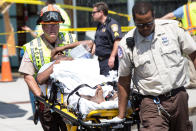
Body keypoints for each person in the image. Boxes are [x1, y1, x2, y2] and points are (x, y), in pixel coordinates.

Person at [114, 2, 195, 131]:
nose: (145, 28)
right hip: (151, 102)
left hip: (178, 96)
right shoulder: (127, 44)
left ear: (154, 18)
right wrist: (121, 115)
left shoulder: (173, 29)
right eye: (140, 25)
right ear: (134, 21)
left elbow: (193, 54)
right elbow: (123, 80)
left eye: (149, 23)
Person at [18, 4, 78, 131]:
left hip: (70, 101)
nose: (52, 28)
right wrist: (41, 98)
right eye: (48, 24)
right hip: (46, 104)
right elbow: (28, 76)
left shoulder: (71, 39)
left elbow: (81, 63)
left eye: (55, 24)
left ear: (60, 25)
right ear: (42, 25)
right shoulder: (31, 47)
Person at [161, 0, 196, 89]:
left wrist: (158, 20)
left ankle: (194, 81)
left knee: (192, 58)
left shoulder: (186, 8)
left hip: (192, 36)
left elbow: (170, 16)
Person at [91, 2, 123, 76]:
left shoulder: (112, 24)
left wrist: (112, 57)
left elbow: (117, 41)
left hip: (109, 61)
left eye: (94, 12)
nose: (92, 15)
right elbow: (98, 40)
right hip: (101, 61)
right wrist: (94, 47)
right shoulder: (100, 25)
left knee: (110, 84)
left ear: (101, 12)